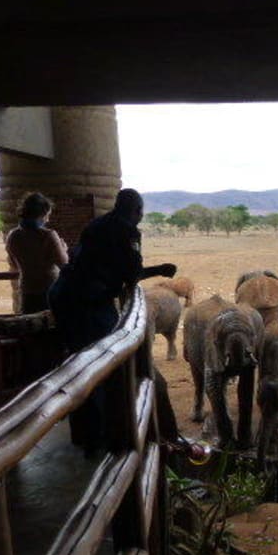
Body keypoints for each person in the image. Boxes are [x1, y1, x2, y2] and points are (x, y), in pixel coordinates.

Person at [48, 188, 177, 454]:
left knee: (76, 361)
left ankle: (83, 433)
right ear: (137, 211)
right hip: (88, 303)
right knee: (99, 364)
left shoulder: (96, 224)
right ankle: (100, 437)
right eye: (140, 211)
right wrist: (161, 270)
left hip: (63, 295)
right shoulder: (128, 231)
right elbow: (132, 274)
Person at [5, 192, 68, 313]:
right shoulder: (48, 235)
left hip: (27, 291)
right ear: (42, 214)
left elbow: (13, 264)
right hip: (49, 290)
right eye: (47, 215)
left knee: (29, 322)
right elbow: (64, 264)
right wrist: (64, 248)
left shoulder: (13, 235)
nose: (48, 219)